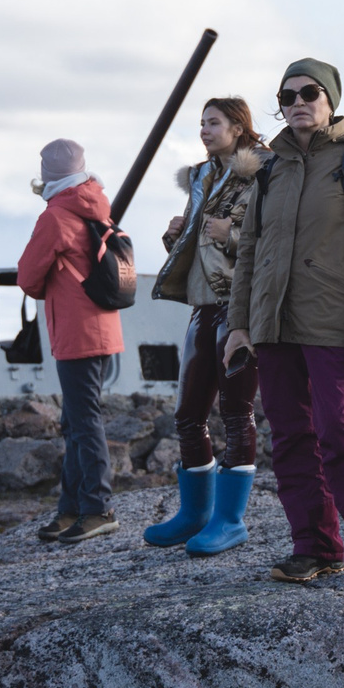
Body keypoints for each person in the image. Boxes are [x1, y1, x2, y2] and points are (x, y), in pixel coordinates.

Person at [224, 58, 344, 583]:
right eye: (287, 96)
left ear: (331, 101)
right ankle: (316, 548)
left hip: (332, 318)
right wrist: (240, 325)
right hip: (272, 325)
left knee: (339, 429)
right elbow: (251, 252)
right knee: (291, 439)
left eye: (310, 93)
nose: (298, 102)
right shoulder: (269, 170)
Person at [143, 98, 267, 554]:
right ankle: (195, 514)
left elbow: (268, 240)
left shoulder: (264, 171)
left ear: (238, 128)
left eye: (212, 122)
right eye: (201, 123)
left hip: (241, 305)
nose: (203, 130)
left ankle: (230, 521)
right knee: (188, 415)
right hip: (202, 305)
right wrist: (178, 238)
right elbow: (203, 242)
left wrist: (228, 235)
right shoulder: (202, 175)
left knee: (237, 413)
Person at [15, 138, 126, 541]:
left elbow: (27, 276)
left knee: (84, 422)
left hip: (77, 331)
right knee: (76, 421)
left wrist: (50, 287)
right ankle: (71, 508)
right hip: (103, 325)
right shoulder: (95, 203)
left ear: (47, 175)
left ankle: (98, 508)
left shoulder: (56, 215)